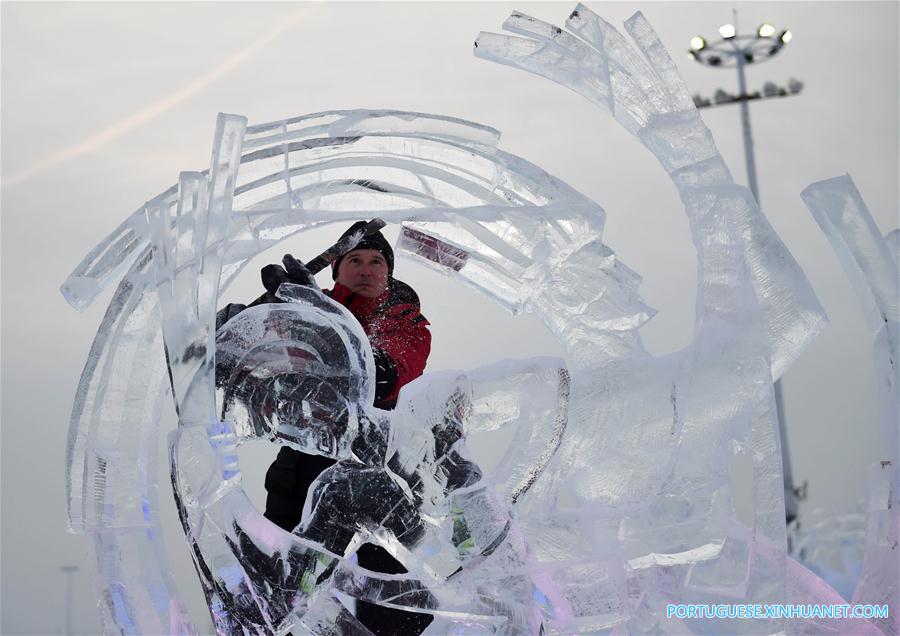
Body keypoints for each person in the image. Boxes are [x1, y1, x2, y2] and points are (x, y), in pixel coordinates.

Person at [254, 222, 433, 635]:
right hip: (302, 461)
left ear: (388, 272)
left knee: (394, 602)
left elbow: (378, 378)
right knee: (281, 587)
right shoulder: (295, 311)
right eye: (355, 260)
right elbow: (266, 363)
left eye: (376, 262)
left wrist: (316, 314)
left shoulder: (405, 321)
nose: (367, 269)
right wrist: (238, 325)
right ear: (336, 270)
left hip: (378, 471)